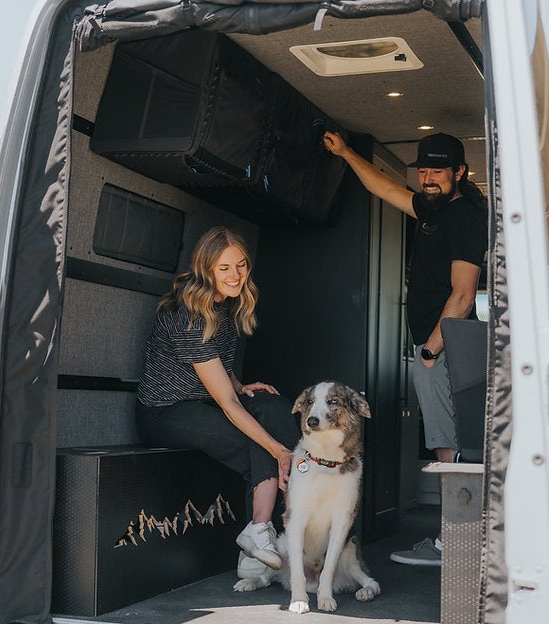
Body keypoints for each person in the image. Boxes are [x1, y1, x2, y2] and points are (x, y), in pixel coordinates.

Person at [323, 131, 487, 566]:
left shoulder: (466, 216)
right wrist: (346, 154)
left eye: (438, 171)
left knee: (448, 441)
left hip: (447, 344)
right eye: (425, 171)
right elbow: (385, 187)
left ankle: (456, 539)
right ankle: (457, 535)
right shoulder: (433, 209)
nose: (429, 178)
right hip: (440, 344)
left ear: (459, 173)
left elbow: (464, 295)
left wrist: (430, 352)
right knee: (447, 440)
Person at [136, 225, 300, 577]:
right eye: (224, 268)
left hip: (203, 401)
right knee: (256, 438)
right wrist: (279, 451)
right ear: (206, 268)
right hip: (165, 412)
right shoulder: (189, 312)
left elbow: (218, 372)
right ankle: (258, 534)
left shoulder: (224, 305)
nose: (236, 275)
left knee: (272, 407)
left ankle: (261, 541)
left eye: (241, 265)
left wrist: (241, 385)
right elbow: (227, 404)